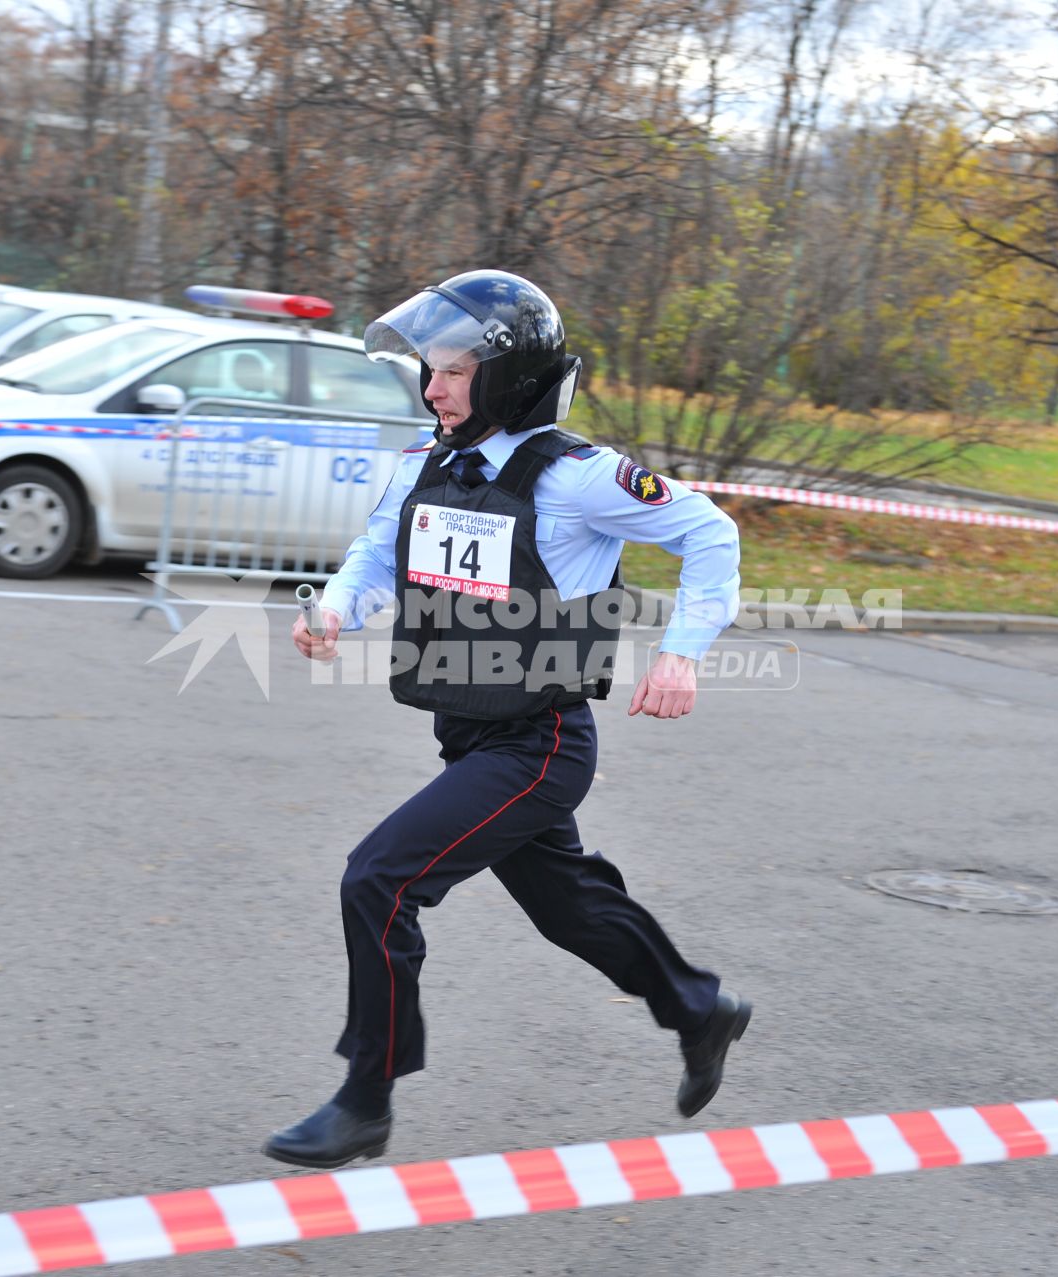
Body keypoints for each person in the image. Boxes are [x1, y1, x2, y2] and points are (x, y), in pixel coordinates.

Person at [265, 269, 751, 1169]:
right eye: (429, 369)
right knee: (570, 909)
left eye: (452, 371)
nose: (433, 387)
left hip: (540, 742)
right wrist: (333, 608)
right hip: (467, 731)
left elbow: (709, 531)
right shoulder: (429, 461)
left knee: (378, 878)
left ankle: (365, 1098)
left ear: (509, 377)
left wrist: (681, 651)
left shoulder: (578, 476)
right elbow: (378, 551)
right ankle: (698, 1007)